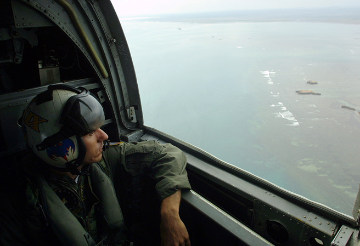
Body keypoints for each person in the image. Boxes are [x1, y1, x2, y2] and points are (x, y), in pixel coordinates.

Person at [0, 84, 191, 246]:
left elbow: (168, 153)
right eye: (90, 133)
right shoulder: (18, 201)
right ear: (59, 145)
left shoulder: (105, 159)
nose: (104, 136)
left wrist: (169, 213)